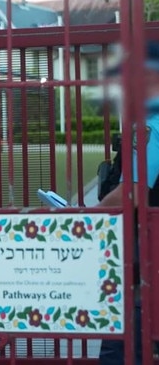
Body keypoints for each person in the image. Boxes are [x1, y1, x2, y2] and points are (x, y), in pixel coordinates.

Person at [98, 41, 159, 365]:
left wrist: (82, 220)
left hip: (145, 247)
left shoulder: (152, 122)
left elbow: (132, 192)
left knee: (126, 338)